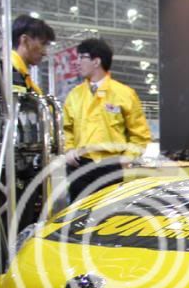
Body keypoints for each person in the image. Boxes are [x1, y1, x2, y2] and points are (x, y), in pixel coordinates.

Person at [62, 38, 151, 200]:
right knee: (78, 212)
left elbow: (140, 134)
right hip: (80, 166)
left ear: (96, 61)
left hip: (111, 166)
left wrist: (127, 157)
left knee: (109, 212)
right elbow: (67, 129)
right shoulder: (74, 95)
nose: (77, 62)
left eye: (82, 57)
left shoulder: (124, 94)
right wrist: (69, 150)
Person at [11, 14, 55, 95]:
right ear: (24, 40)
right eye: (42, 44)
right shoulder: (8, 74)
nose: (44, 53)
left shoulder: (22, 77)